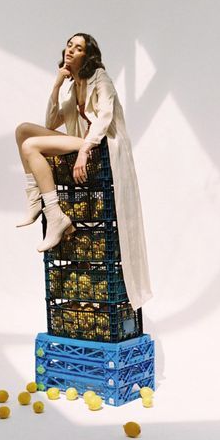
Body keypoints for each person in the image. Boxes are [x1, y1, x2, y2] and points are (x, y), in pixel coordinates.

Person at [15, 33, 152, 310]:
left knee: (31, 147)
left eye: (78, 48)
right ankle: (34, 198)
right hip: (78, 141)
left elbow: (105, 117)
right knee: (23, 131)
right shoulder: (70, 86)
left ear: (87, 56)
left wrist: (85, 151)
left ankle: (54, 215)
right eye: (69, 45)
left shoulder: (100, 78)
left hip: (99, 146)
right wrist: (56, 84)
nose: (70, 50)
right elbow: (51, 122)